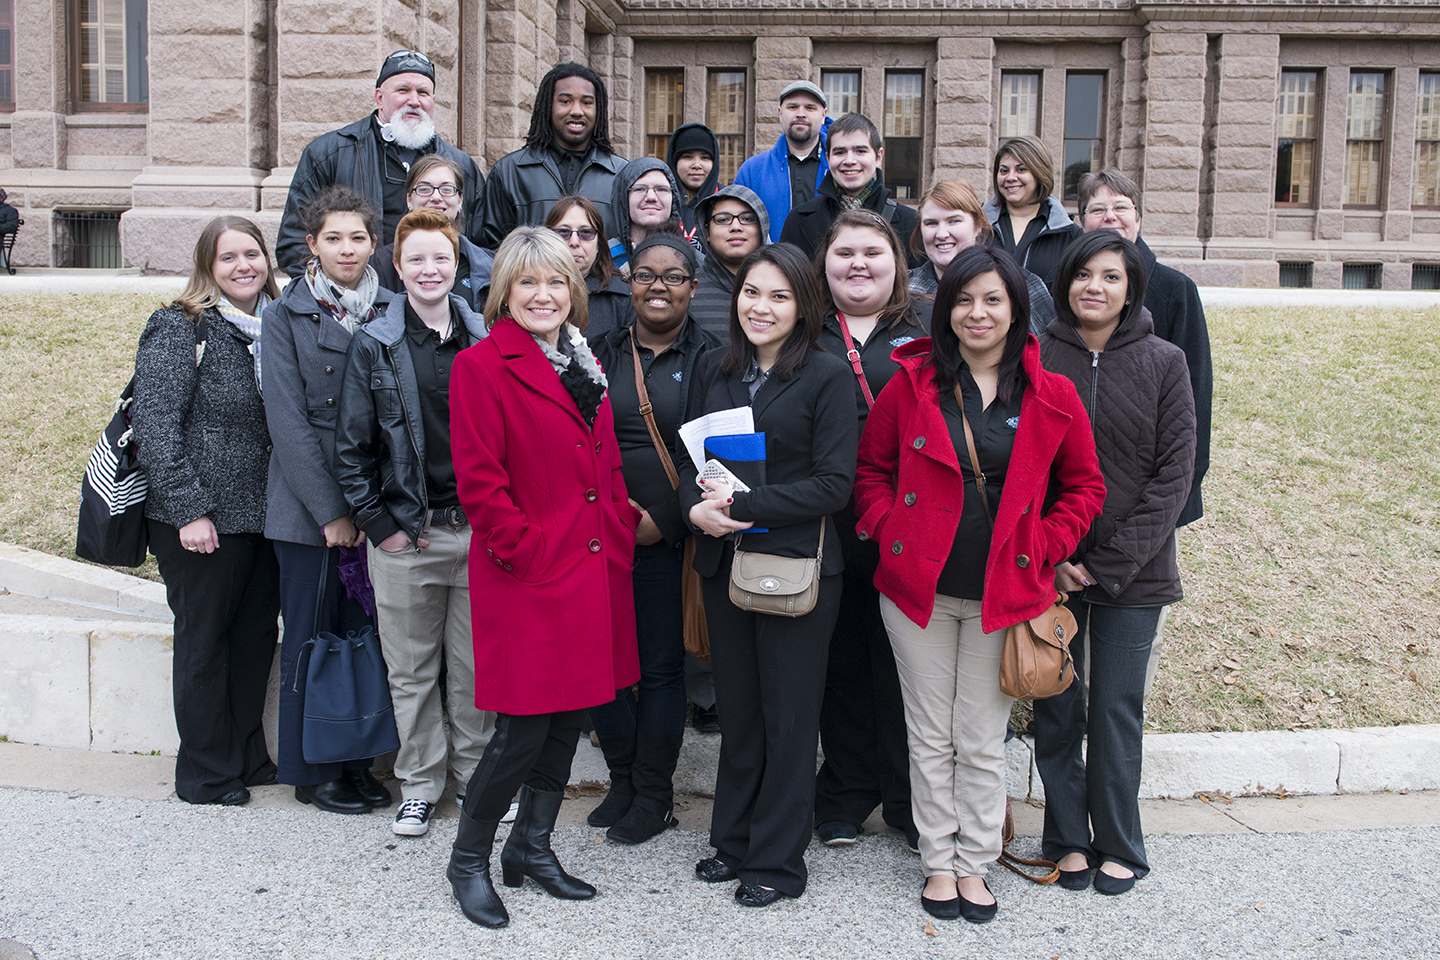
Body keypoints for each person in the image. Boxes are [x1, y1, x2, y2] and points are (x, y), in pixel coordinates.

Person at [853, 245, 1105, 923]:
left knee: (981, 735)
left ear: (1018, 309)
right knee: (930, 733)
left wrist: (1045, 548)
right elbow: (871, 470)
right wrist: (884, 527)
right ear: (946, 308)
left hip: (1005, 596)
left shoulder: (1053, 394)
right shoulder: (913, 384)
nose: (977, 312)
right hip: (918, 594)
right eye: (964, 299)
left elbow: (1084, 486)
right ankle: (939, 861)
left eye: (993, 299)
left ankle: (976, 864)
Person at [444, 226, 640, 928]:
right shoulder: (481, 366)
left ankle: (531, 848)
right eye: (527, 282)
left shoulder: (584, 364)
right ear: (504, 291)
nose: (543, 294)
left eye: (556, 281)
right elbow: (481, 485)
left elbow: (605, 466)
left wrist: (616, 529)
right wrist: (528, 551)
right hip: (529, 575)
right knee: (522, 730)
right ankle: (468, 857)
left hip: (591, 572)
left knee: (566, 722)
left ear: (574, 290)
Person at [679, 243, 859, 907]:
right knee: (742, 715)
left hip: (796, 570)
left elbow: (834, 484)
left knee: (788, 717)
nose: (761, 306)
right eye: (752, 292)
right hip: (724, 567)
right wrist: (696, 510)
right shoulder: (718, 368)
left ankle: (779, 864)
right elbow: (690, 462)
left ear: (804, 305)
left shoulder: (825, 375)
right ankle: (732, 842)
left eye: (779, 296)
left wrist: (743, 506)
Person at [1034, 230, 1197, 897]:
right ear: (1065, 283)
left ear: (1131, 287)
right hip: (1052, 568)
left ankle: (1120, 844)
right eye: (1082, 276)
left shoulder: (1164, 361)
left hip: (1138, 572)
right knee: (1056, 706)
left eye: (1110, 276)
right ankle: (1067, 839)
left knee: (1114, 709)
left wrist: (1105, 564)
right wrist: (1056, 555)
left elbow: (1175, 474)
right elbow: (1021, 468)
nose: (1093, 288)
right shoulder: (1038, 357)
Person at [332, 208, 496, 839]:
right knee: (412, 668)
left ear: (459, 266)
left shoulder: (485, 338)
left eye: (442, 258)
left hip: (477, 532)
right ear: (396, 269)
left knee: (476, 667)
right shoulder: (374, 342)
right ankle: (422, 785)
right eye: (417, 259)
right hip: (409, 533)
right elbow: (351, 450)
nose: (431, 269)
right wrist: (382, 526)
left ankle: (478, 779)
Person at [131, 216, 284, 806]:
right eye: (228, 258)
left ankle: (246, 756)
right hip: (200, 521)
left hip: (261, 519)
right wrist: (189, 510)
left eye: (252, 253)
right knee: (204, 644)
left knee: (250, 642)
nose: (243, 265)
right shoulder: (180, 327)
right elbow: (156, 429)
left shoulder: (274, 327)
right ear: (207, 267)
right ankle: (204, 772)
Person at [262, 186, 397, 815]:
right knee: (313, 641)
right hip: (308, 512)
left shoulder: (392, 309)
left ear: (376, 244)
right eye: (333, 238)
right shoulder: (284, 315)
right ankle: (313, 769)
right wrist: (333, 513)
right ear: (312, 244)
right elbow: (288, 424)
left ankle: (357, 761)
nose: (347, 249)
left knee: (364, 639)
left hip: (378, 507)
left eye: (359, 237)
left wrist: (376, 509)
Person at [586, 234, 722, 844]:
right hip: (599, 534)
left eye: (673, 276)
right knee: (605, 666)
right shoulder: (598, 353)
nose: (658, 286)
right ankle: (623, 781)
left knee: (661, 670)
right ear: (627, 283)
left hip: (669, 538)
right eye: (645, 275)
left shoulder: (715, 360)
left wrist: (663, 519)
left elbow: (714, 460)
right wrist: (611, 515)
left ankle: (655, 792)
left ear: (693, 286)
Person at [810, 210, 926, 852]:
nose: (858, 263)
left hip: (909, 528)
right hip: (828, 529)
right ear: (824, 263)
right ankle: (846, 793)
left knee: (909, 668)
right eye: (844, 251)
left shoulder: (928, 325)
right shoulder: (806, 330)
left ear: (896, 262)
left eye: (872, 252)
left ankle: (911, 800)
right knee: (841, 663)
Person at [1076, 170, 1211, 529]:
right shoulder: (1071, 291)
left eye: (1121, 207)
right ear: (1080, 221)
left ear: (1138, 218)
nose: (1110, 216)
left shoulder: (1174, 289)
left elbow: (1196, 392)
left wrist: (1185, 486)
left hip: (1150, 481)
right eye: (1097, 209)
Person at [276, 50, 485, 275]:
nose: (413, 101)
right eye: (403, 90)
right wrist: (337, 296)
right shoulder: (328, 154)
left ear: (432, 101)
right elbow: (294, 243)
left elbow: (480, 246)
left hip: (436, 297)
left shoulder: (462, 166)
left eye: (423, 92)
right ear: (379, 97)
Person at [481, 62, 627, 248]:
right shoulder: (510, 172)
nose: (576, 111)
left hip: (602, 278)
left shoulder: (621, 174)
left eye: (586, 103)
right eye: (565, 101)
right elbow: (490, 248)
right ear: (548, 106)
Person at [909, 179, 1055, 335]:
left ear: (978, 225)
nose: (942, 234)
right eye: (931, 223)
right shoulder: (903, 289)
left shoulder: (1022, 285)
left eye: (954, 221)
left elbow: (1050, 351)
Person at [779, 113, 921, 268]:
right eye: (840, 152)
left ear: (879, 157)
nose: (849, 161)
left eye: (860, 151)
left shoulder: (911, 224)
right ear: (828, 158)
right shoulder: (797, 220)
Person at [372, 156, 495, 313]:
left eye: (446, 189)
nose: (436, 197)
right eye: (424, 189)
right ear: (409, 199)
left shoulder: (490, 264)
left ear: (460, 201)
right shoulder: (380, 263)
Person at [734, 81, 831, 243]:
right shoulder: (752, 171)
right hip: (771, 266)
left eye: (810, 108)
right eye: (792, 107)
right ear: (780, 113)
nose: (801, 113)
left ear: (823, 115)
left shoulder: (840, 169)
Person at [981, 136, 1081, 287]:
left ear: (1040, 173)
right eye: (1004, 171)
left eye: (1021, 169)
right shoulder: (978, 227)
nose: (1010, 177)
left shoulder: (1070, 236)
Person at [544, 195, 634, 339]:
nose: (574, 242)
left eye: (585, 233)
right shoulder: (526, 292)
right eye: (563, 232)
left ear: (599, 245)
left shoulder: (623, 299)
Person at [690, 185, 770, 338]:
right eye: (723, 220)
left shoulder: (782, 287)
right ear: (706, 231)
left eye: (747, 219)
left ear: (761, 228)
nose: (735, 227)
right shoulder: (688, 290)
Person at [607, 157, 697, 274]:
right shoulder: (602, 259)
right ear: (623, 198)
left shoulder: (694, 261)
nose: (651, 197)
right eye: (639, 189)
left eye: (661, 189)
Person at [667, 122, 721, 246]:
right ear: (675, 163)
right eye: (688, 157)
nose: (697, 165)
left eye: (705, 157)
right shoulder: (661, 201)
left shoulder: (725, 200)